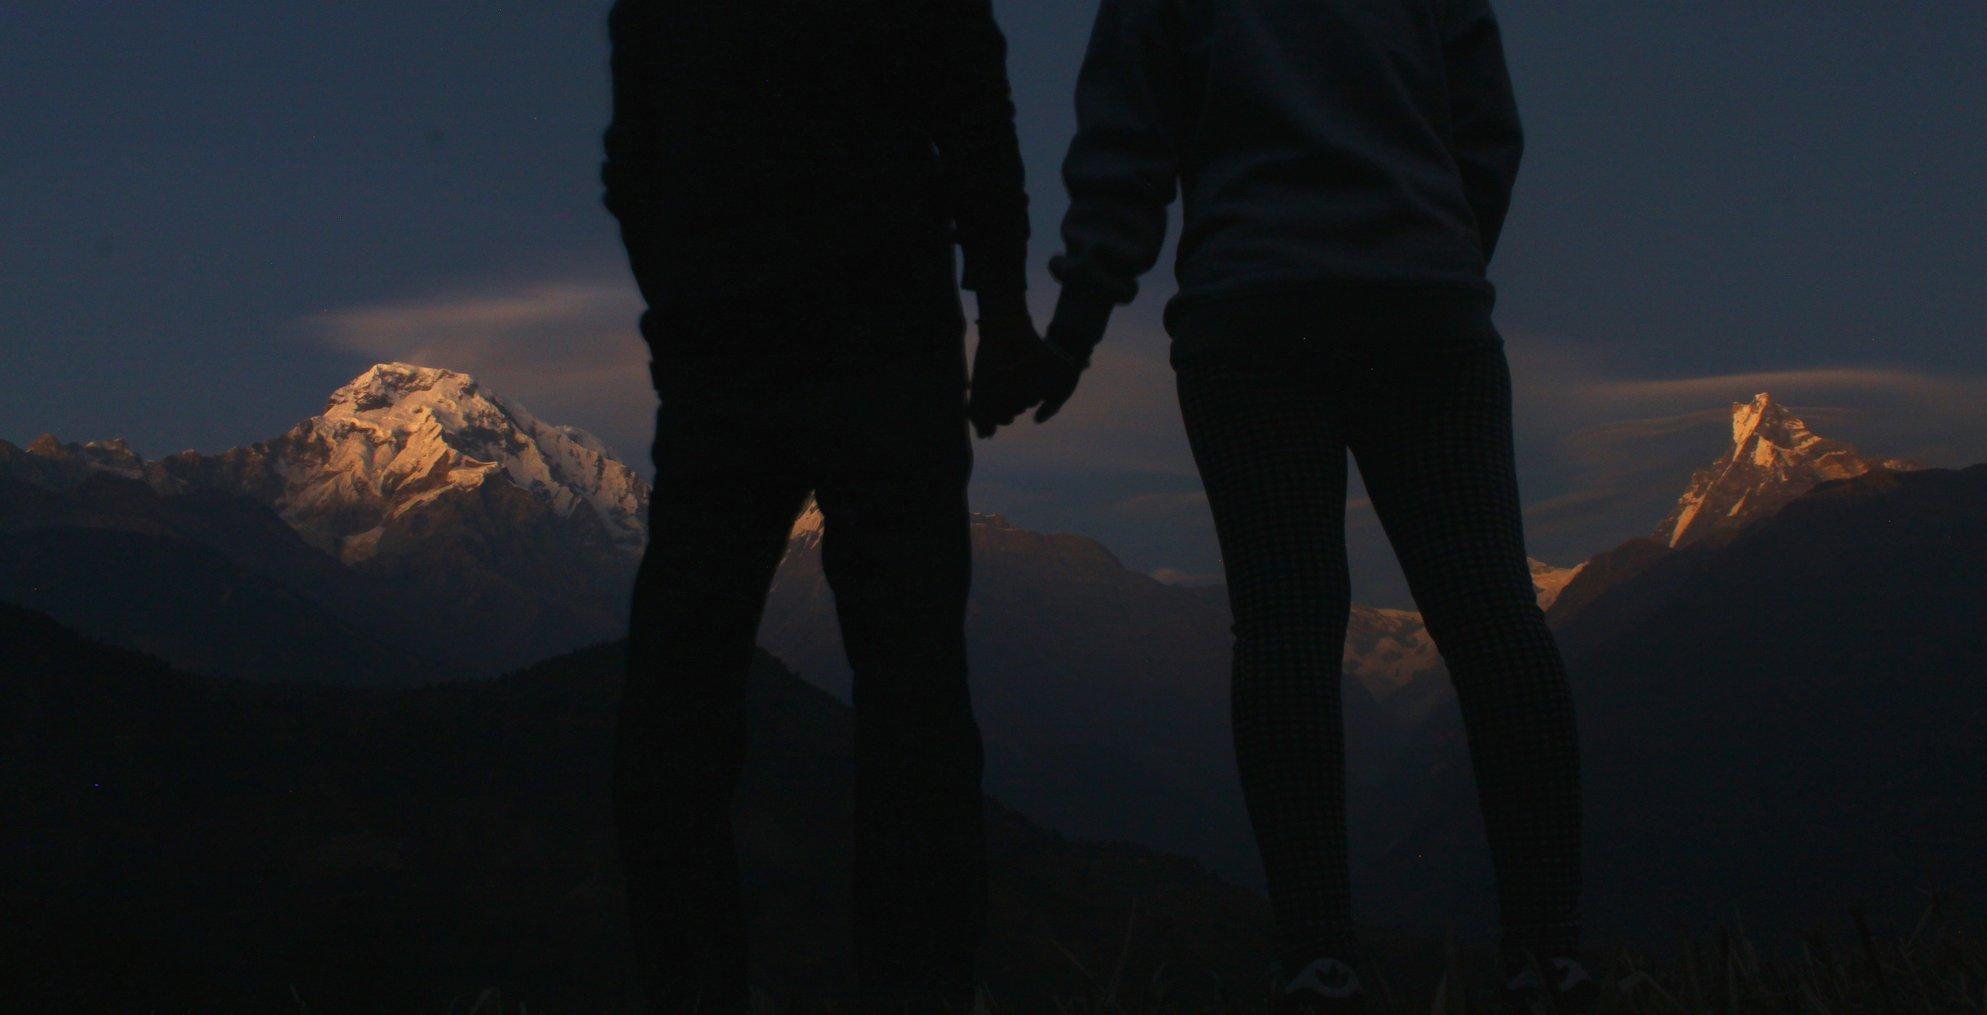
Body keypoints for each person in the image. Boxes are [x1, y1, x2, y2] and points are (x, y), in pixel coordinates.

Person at [968, 0, 1591, 1011]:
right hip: (1424, 310)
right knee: (1491, 620)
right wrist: (1434, 252)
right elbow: (1485, 128)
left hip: (1249, 320)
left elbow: (1124, 155)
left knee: (1284, 627)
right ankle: (1548, 956)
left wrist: (1074, 328)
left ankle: (1315, 959)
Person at [601, 0, 1036, 1009]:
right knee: (913, 698)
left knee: (677, 706)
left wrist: (683, 308)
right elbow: (973, 109)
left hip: (733, 358)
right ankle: (920, 988)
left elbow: (634, 157)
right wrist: (1003, 310)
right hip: (884, 341)